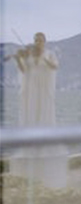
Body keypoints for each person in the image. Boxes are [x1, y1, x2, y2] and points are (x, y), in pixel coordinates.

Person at [5, 32, 66, 187]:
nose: (37, 42)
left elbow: (55, 67)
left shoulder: (49, 53)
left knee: (44, 115)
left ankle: (44, 145)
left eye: (40, 40)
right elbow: (24, 71)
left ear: (44, 41)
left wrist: (43, 59)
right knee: (31, 114)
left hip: (44, 90)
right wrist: (18, 59)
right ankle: (31, 145)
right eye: (35, 40)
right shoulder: (29, 55)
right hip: (32, 90)